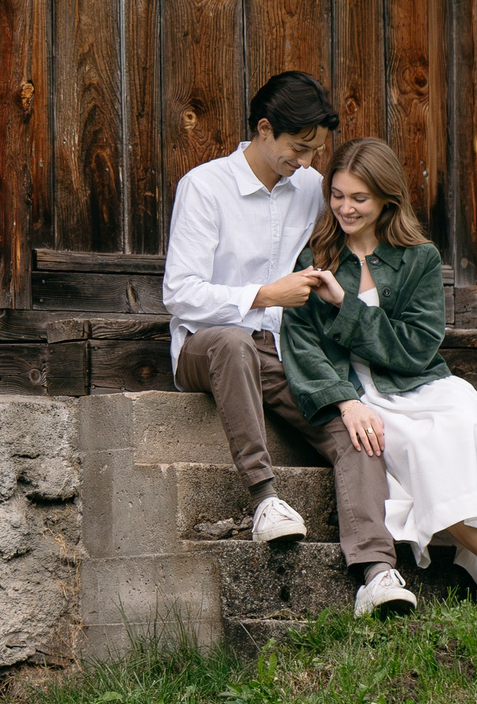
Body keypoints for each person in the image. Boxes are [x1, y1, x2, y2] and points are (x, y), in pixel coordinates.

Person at [163, 73, 418, 619]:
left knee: (357, 430)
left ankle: (375, 572)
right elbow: (179, 294)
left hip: (286, 352)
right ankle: (263, 499)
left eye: (315, 151)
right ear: (263, 130)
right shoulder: (205, 187)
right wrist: (263, 293)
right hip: (206, 348)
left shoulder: (308, 188)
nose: (307, 163)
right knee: (233, 341)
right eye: (299, 149)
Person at [279, 137, 477, 610]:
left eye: (359, 198)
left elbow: (417, 348)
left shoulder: (419, 258)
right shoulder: (315, 257)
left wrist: (345, 306)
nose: (345, 207)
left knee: (461, 424)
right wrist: (346, 400)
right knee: (420, 453)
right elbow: (300, 344)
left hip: (421, 383)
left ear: (387, 198)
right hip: (362, 392)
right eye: (337, 195)